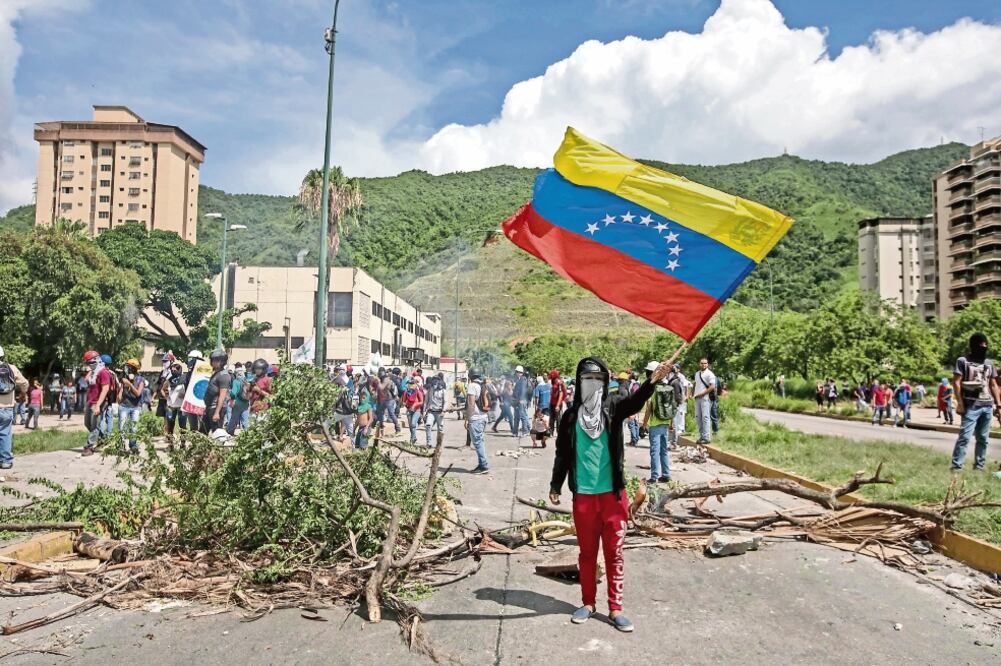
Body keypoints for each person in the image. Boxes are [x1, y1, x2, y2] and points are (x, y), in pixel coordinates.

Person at [549, 355, 672, 633]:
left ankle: (615, 609)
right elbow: (562, 455)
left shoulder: (614, 406)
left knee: (615, 554)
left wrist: (652, 382)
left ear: (605, 381)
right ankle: (588, 603)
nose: (592, 384)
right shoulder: (569, 418)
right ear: (579, 383)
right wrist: (556, 485)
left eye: (598, 379)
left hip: (613, 498)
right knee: (587, 554)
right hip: (583, 497)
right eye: (587, 379)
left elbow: (635, 402)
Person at [952, 333, 999, 471]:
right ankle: (956, 467)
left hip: (987, 406)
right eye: (981, 345)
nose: (984, 347)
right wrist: (960, 403)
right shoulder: (963, 361)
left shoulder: (989, 363)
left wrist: (999, 405)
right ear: (974, 346)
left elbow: (993, 385)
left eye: (986, 345)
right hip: (971, 406)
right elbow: (956, 382)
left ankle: (979, 467)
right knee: (964, 438)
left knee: (983, 439)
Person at [641, 360, 679, 484]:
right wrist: (671, 424)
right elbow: (672, 407)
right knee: (664, 450)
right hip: (666, 423)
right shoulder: (669, 388)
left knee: (654, 451)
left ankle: (654, 476)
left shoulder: (654, 389)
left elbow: (649, 409)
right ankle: (666, 474)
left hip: (655, 424)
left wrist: (644, 424)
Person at [0, 347, 29, 469]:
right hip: (6, 407)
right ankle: (5, 461)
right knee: (5, 433)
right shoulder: (11, 368)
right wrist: (23, 393)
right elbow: (25, 383)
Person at [82, 350, 114, 456]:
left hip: (98, 403)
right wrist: (91, 370)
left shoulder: (103, 372)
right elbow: (86, 380)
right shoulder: (94, 372)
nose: (88, 365)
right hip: (90, 402)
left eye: (89, 363)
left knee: (95, 425)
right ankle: (102, 438)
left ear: (95, 361)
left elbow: (105, 389)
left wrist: (98, 406)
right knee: (87, 423)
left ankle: (89, 447)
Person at [464, 369, 490, 474]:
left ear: (470, 376)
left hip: (476, 419)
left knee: (478, 443)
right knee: (480, 442)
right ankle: (481, 464)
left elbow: (471, 404)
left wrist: (467, 419)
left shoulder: (472, 386)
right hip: (483, 417)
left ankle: (483, 466)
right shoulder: (481, 385)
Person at [117, 358, 146, 454]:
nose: (127, 368)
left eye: (129, 367)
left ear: (134, 368)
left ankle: (133, 446)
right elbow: (121, 390)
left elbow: (138, 393)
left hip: (135, 407)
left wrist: (129, 384)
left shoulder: (140, 379)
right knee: (122, 428)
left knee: (134, 429)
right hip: (124, 406)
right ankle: (121, 447)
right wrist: (119, 396)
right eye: (127, 366)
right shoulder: (124, 378)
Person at [201, 350, 232, 434]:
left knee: (217, 433)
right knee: (202, 432)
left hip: (217, 408)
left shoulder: (224, 376)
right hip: (209, 407)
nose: (213, 362)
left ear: (222, 361)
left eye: (216, 360)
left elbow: (222, 396)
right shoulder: (215, 374)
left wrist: (217, 413)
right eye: (212, 360)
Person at [693, 358, 716, 444]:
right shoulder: (697, 374)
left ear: (707, 364)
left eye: (705, 363)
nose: (703, 365)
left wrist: (703, 394)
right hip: (697, 397)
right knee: (698, 417)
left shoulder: (710, 374)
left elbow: (712, 386)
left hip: (705, 398)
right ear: (699, 364)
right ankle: (701, 435)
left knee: (705, 417)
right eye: (702, 363)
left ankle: (706, 437)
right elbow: (695, 384)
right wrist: (693, 394)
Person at [161, 361, 185, 442]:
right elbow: (162, 389)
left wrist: (184, 396)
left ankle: (183, 444)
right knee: (170, 425)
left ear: (180, 370)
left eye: (175, 371)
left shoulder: (184, 379)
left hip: (181, 407)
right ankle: (171, 444)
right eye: (172, 371)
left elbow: (189, 390)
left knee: (182, 426)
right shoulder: (169, 380)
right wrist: (166, 396)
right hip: (171, 407)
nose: (173, 372)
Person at [423, 372, 447, 447]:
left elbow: (445, 402)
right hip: (431, 411)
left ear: (439, 381)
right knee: (428, 425)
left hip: (439, 412)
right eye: (434, 380)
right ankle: (429, 443)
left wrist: (444, 411)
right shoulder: (430, 390)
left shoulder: (443, 391)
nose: (435, 382)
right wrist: (424, 411)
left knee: (440, 428)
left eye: (437, 380)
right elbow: (426, 401)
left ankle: (439, 444)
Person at [226, 364, 251, 435]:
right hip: (246, 403)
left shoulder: (236, 381)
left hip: (237, 404)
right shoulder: (247, 380)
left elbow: (233, 393)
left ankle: (229, 433)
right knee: (245, 420)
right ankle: (247, 434)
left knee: (234, 419)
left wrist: (231, 398)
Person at [402, 376, 425, 446]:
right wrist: (406, 404)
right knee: (410, 426)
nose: (411, 386)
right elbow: (403, 401)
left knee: (413, 424)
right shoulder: (406, 392)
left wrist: (415, 405)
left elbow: (421, 402)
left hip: (417, 411)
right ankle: (413, 437)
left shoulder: (418, 392)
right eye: (410, 384)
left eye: (412, 384)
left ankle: (413, 438)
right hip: (409, 411)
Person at [512, 365, 531, 436]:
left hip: (520, 400)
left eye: (517, 372)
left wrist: (521, 399)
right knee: (517, 416)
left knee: (522, 416)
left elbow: (523, 390)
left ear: (520, 372)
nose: (516, 373)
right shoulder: (520, 379)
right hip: (518, 400)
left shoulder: (523, 379)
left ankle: (525, 431)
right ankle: (515, 432)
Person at [549, 370, 568, 436]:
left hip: (557, 404)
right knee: (551, 419)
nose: (550, 376)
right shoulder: (553, 382)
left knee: (558, 419)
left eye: (551, 374)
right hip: (552, 403)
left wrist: (557, 405)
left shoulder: (559, 383)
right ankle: (551, 432)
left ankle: (559, 433)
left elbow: (561, 394)